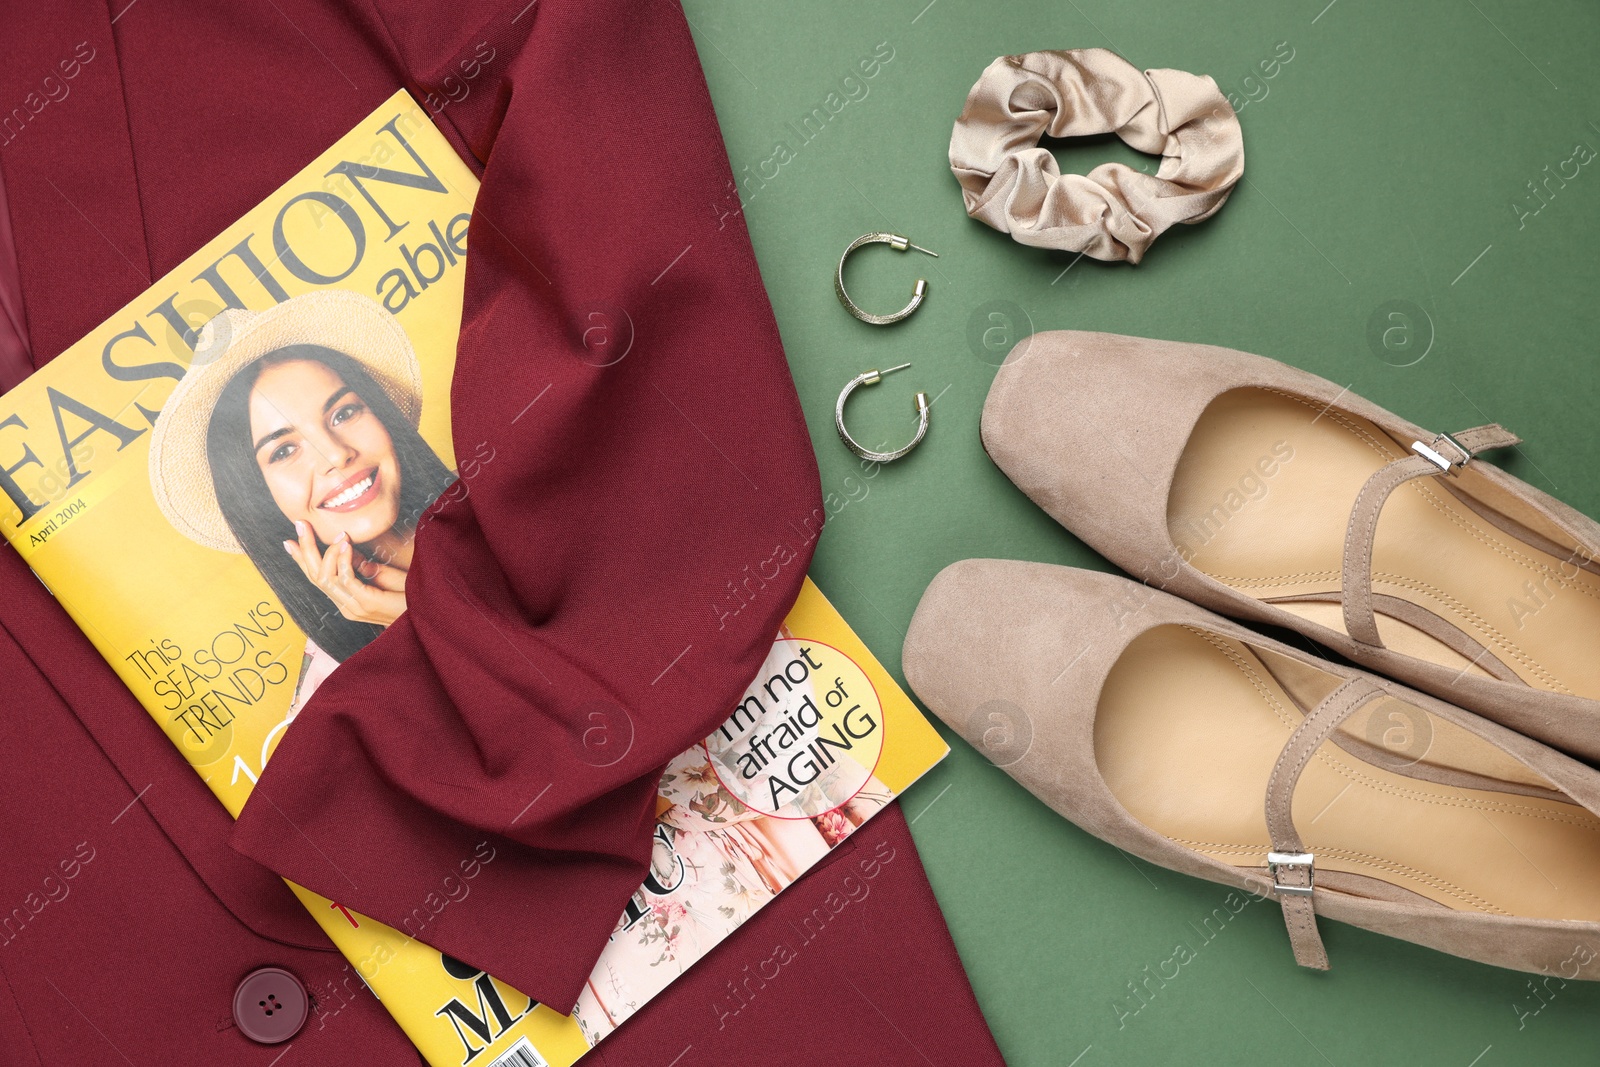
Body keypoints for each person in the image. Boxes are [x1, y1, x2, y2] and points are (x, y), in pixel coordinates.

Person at [149, 290, 455, 711]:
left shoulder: (523, 507)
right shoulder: (334, 695)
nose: (335, 454)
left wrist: (438, 620)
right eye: (284, 451)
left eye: (344, 413)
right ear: (259, 494)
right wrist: (418, 628)